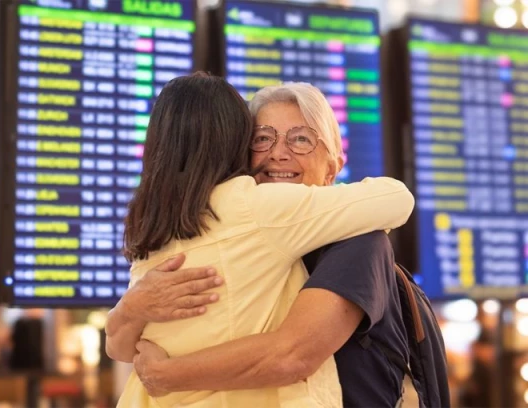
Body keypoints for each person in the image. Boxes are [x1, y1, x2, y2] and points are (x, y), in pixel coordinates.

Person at [107, 74, 415, 407]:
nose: (278, 154)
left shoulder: (357, 242)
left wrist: (168, 374)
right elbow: (121, 345)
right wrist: (130, 308)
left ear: (333, 168)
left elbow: (291, 355)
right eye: (262, 138)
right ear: (238, 149)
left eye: (301, 139)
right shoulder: (246, 213)